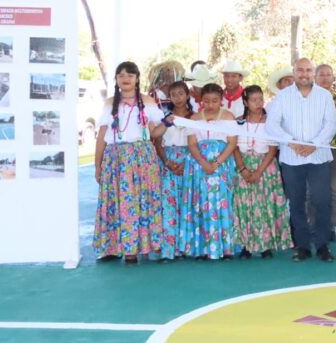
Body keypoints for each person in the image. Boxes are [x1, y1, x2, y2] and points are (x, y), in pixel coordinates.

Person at [265, 58, 336, 263]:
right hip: (291, 156)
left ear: (312, 72)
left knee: (322, 201)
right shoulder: (282, 96)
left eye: (308, 70)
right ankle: (302, 246)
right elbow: (272, 125)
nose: (304, 74)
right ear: (294, 72)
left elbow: (331, 124)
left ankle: (323, 245)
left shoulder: (324, 96)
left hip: (319, 156)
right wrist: (291, 142)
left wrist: (315, 143)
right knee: (296, 202)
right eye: (300, 70)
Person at [94, 62, 167, 264]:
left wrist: (168, 123)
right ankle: (122, 248)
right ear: (116, 80)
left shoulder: (148, 101)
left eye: (130, 75)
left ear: (137, 78)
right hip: (116, 158)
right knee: (121, 200)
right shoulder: (109, 103)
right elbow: (101, 136)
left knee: (142, 200)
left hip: (142, 157)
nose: (125, 79)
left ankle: (141, 245)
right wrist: (97, 165)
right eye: (121, 75)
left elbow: (154, 133)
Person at [232, 85, 291, 259]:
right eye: (254, 100)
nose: (258, 103)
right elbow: (233, 147)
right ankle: (245, 245)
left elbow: (272, 149)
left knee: (265, 205)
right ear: (245, 102)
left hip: (265, 166)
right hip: (243, 164)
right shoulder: (238, 121)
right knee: (244, 205)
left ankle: (266, 244)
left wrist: (258, 171)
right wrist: (242, 169)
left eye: (260, 99)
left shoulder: (270, 121)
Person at [184, 83, 239, 261]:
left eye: (215, 101)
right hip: (200, 167)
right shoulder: (194, 118)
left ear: (221, 100)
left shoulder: (229, 117)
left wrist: (216, 162)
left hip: (221, 167)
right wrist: (203, 162)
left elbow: (232, 143)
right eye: (206, 101)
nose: (210, 105)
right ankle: (203, 248)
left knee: (223, 204)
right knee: (202, 203)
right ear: (201, 101)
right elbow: (192, 144)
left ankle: (226, 248)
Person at [153, 81, 194, 261]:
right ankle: (169, 249)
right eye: (173, 94)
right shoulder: (165, 117)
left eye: (181, 93)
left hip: (190, 161)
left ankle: (188, 247)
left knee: (189, 204)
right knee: (168, 205)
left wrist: (187, 162)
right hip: (168, 162)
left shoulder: (196, 118)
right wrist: (167, 162)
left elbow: (198, 143)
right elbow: (156, 140)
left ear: (187, 95)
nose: (177, 98)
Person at [312, 63, 336, 240]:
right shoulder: (308, 96)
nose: (326, 78)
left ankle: (330, 228)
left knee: (332, 189)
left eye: (328, 74)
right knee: (312, 190)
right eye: (322, 75)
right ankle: (312, 227)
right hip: (312, 150)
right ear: (315, 77)